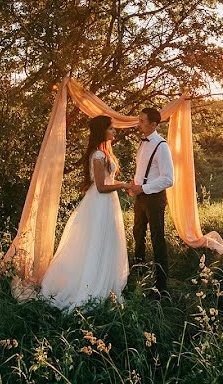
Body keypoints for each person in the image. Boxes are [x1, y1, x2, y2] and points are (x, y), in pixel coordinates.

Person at [39, 115, 132, 311]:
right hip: (100, 203)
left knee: (108, 243)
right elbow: (100, 187)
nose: (114, 131)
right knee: (97, 243)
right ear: (102, 131)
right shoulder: (98, 155)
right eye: (111, 128)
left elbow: (107, 182)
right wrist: (122, 185)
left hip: (108, 203)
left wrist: (122, 185)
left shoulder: (105, 153)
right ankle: (92, 286)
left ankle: (107, 285)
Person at [127, 107, 174, 296]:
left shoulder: (161, 146)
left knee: (157, 238)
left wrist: (143, 188)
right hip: (140, 197)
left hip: (154, 198)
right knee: (138, 233)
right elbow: (145, 170)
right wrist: (135, 185)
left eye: (142, 121)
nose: (138, 124)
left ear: (153, 125)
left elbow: (168, 179)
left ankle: (161, 286)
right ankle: (139, 273)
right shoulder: (142, 143)